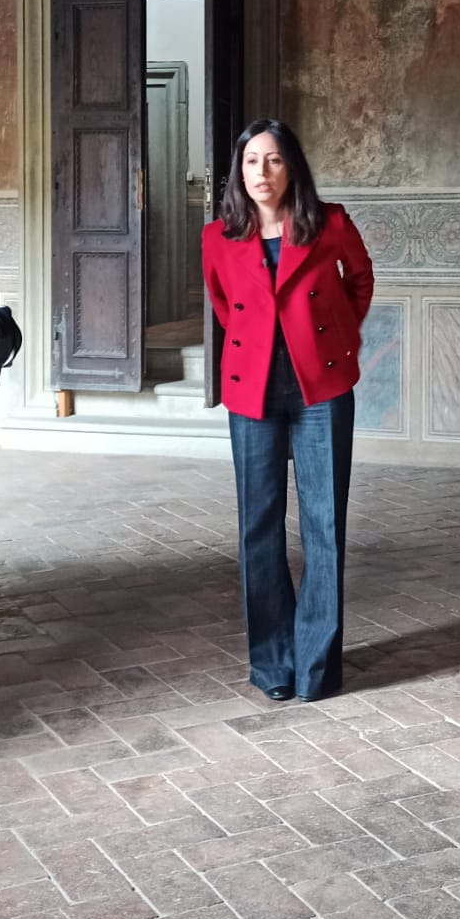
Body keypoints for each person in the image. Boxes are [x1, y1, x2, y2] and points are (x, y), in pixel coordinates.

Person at [201, 119, 374, 702]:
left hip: (320, 389)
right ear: (238, 172)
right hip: (252, 393)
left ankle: (317, 664)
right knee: (258, 528)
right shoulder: (217, 238)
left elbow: (361, 281)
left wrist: (336, 337)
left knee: (324, 527)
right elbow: (225, 305)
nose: (262, 173)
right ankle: (273, 662)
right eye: (251, 162)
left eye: (273, 161)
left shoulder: (330, 225)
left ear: (292, 166)